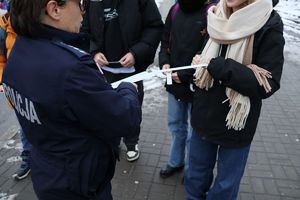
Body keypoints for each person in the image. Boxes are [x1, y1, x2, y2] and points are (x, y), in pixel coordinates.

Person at [2, 0, 141, 199]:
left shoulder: (18, 52)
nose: (83, 12)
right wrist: (127, 88)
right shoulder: (71, 68)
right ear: (54, 9)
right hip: (81, 182)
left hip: (48, 174)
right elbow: (125, 119)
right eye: (79, 4)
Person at [185, 0, 285, 199]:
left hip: (236, 122)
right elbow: (208, 52)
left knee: (225, 186)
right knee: (194, 177)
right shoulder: (216, 15)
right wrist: (199, 59)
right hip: (203, 115)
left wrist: (221, 67)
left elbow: (268, 82)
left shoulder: (269, 22)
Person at [81, 0, 163, 162]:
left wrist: (136, 53)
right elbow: (84, 30)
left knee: (132, 106)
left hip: (132, 68)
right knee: (107, 108)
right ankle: (113, 139)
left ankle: (132, 142)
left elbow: (154, 26)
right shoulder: (92, 1)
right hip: (103, 69)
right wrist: (94, 52)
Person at [158, 0, 214, 178]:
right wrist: (164, 62)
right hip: (174, 80)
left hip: (197, 84)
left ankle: (192, 169)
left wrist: (185, 75)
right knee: (176, 125)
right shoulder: (175, 9)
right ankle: (176, 161)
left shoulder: (211, 12)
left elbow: (209, 50)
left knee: (194, 132)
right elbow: (165, 39)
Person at [0, 5, 32, 181]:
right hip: (17, 88)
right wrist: (3, 80)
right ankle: (28, 160)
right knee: (25, 126)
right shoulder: (4, 27)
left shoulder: (38, 24)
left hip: (40, 84)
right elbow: (1, 59)